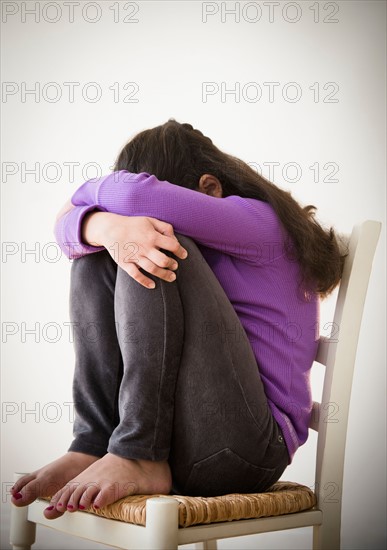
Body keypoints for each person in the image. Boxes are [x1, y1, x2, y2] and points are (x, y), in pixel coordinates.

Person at [11, 120, 345, 520]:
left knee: (156, 242)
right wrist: (105, 226)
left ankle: (138, 453)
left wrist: (87, 199)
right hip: (183, 443)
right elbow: (68, 232)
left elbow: (131, 195)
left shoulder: (260, 222)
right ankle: (93, 442)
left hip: (247, 451)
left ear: (209, 189)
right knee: (103, 249)